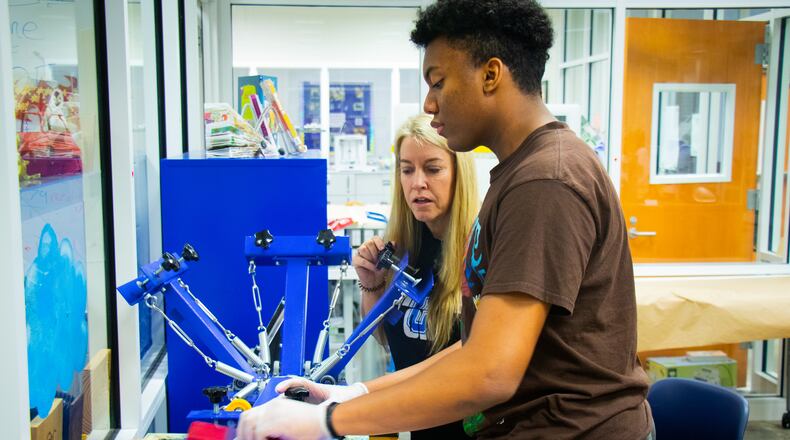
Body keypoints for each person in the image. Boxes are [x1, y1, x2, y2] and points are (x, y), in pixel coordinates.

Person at [238, 1, 654, 439]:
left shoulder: (544, 182)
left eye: (439, 82)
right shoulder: (522, 174)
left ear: (491, 75)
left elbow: (488, 373)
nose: (429, 102)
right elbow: (473, 350)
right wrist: (353, 394)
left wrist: (327, 424)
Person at [352, 113, 478, 439]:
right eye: (407, 170)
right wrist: (371, 283)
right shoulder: (405, 246)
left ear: (458, 175)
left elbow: (476, 356)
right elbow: (382, 338)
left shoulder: (481, 251)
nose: (417, 182)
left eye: (432, 169)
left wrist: (359, 399)